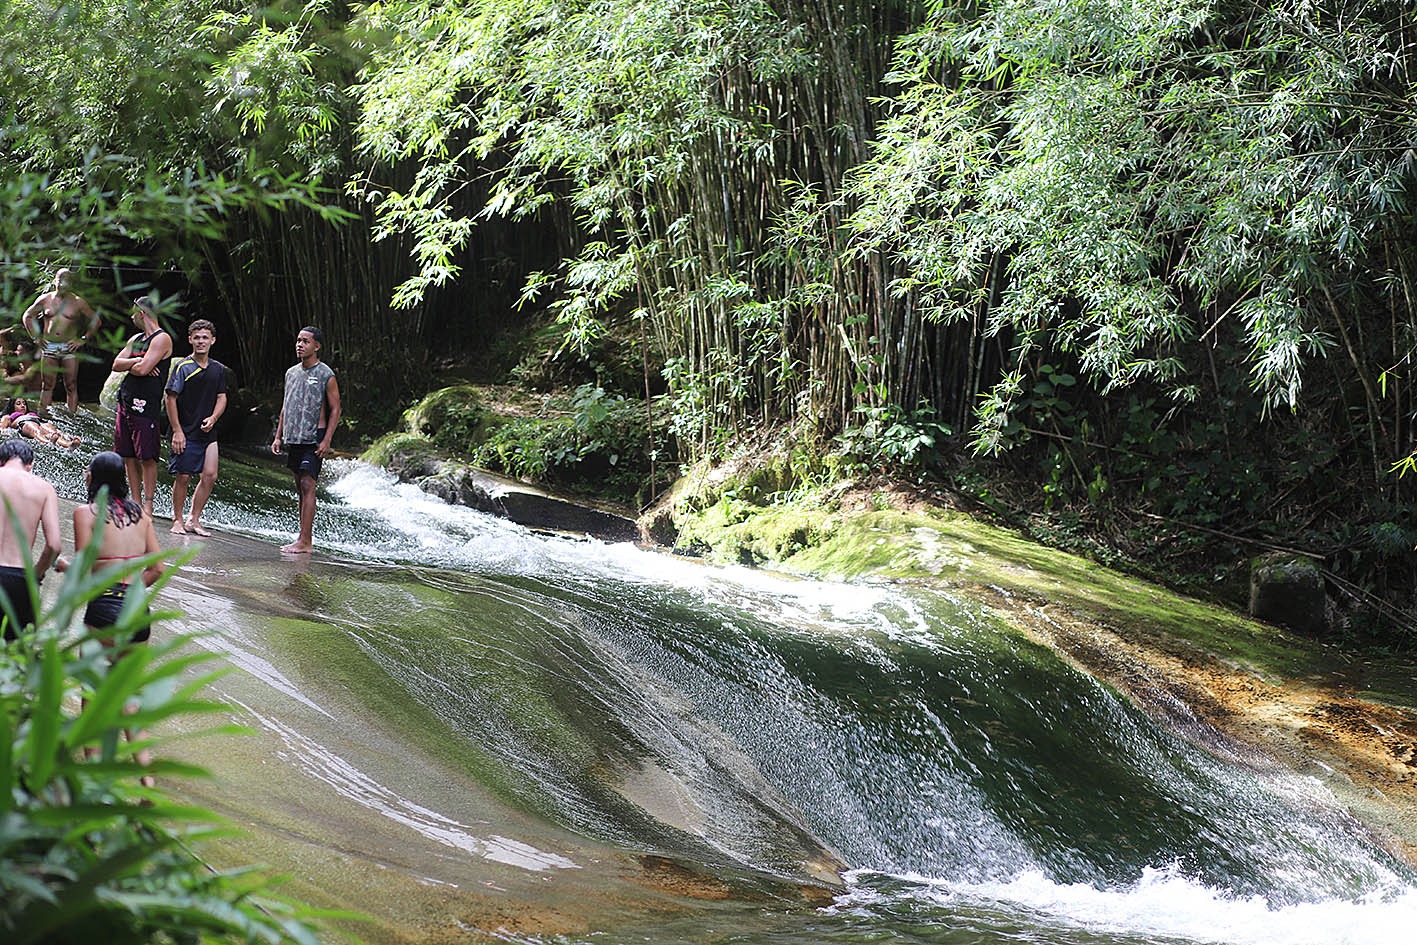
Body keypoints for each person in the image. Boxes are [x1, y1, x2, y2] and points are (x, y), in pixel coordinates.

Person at [57, 451, 164, 785]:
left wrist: (62, 567)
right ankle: (147, 781)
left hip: (103, 612)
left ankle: (90, 781)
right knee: (130, 700)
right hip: (136, 614)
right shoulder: (141, 515)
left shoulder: (85, 513)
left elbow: (86, 566)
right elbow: (157, 567)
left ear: (93, 478)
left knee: (91, 699)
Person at [271, 326, 340, 554]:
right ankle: (302, 536)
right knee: (300, 487)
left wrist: (327, 440)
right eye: (298, 341)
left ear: (317, 346)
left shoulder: (325, 374)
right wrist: (278, 436)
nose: (300, 345)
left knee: (308, 484)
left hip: (314, 436)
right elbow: (285, 406)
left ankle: (306, 541)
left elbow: (336, 409)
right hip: (294, 437)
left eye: (305, 342)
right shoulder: (291, 372)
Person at [165, 319, 227, 536]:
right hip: (185, 429)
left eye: (205, 338)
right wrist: (177, 431)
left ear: (213, 341)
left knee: (210, 475)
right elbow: (170, 399)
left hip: (208, 431)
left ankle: (194, 519)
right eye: (197, 337)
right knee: (183, 476)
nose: (201, 342)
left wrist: (214, 417)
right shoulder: (183, 367)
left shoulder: (218, 369)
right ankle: (177, 519)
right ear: (190, 340)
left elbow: (222, 397)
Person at [111, 295, 172, 518]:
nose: (131, 317)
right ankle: (134, 501)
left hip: (146, 404)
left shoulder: (161, 339)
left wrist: (138, 364)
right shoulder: (136, 338)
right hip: (126, 399)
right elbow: (116, 364)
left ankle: (148, 504)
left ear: (142, 313)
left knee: (147, 456)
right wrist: (136, 362)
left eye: (133, 312)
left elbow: (145, 370)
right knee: (127, 455)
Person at [0, 439, 61, 642]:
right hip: (19, 579)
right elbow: (53, 546)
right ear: (31, 464)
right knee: (15, 656)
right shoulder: (44, 488)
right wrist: (35, 576)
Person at [22, 267, 100, 412]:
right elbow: (27, 316)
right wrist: (35, 337)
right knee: (47, 385)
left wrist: (82, 339)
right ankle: (44, 414)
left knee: (71, 384)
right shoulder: (45, 299)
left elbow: (96, 320)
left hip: (69, 347)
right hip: (48, 346)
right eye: (61, 280)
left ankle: (72, 416)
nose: (63, 284)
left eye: (67, 281)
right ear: (54, 281)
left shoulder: (77, 301)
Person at [1, 396, 82, 448]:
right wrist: (6, 433)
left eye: (24, 404)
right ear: (12, 406)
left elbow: (57, 430)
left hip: (40, 422)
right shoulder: (8, 417)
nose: (22, 406)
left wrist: (66, 435)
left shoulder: (31, 414)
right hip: (25, 422)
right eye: (18, 404)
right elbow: (2, 428)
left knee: (53, 432)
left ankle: (69, 444)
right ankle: (47, 443)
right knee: (36, 431)